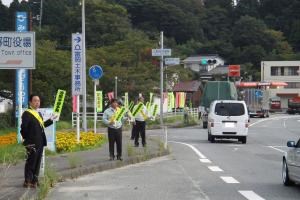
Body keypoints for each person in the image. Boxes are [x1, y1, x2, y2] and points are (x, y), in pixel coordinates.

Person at [21, 94, 56, 188]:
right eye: (35, 101)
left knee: (37, 162)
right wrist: (27, 140)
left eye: (38, 101)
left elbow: (42, 125)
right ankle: (27, 180)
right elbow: (23, 128)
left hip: (40, 141)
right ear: (30, 102)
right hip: (31, 142)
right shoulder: (27, 113)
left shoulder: (38, 114)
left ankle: (34, 181)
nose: (37, 103)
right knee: (31, 161)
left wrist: (51, 120)